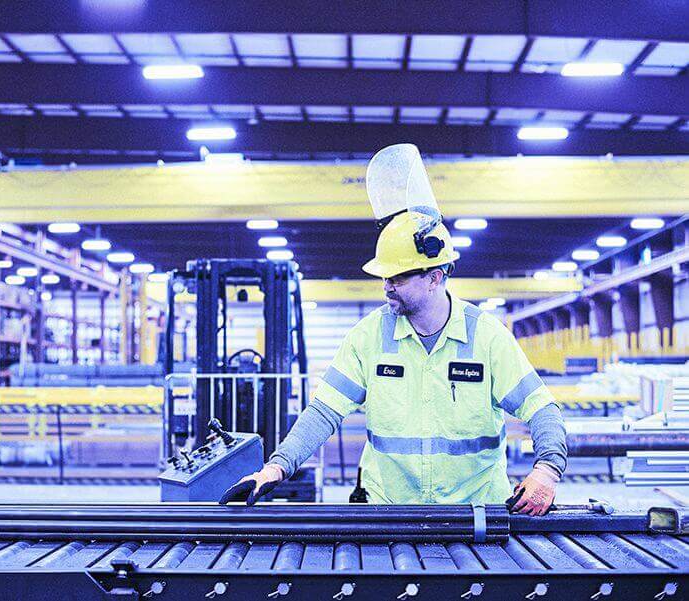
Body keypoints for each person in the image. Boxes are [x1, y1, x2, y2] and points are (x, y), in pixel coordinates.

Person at [220, 145, 567, 515]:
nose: (387, 286)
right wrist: (276, 467)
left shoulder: (486, 336)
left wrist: (547, 471)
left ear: (435, 278)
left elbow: (542, 409)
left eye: (398, 277)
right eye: (385, 276)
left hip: (476, 515)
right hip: (390, 513)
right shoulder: (368, 337)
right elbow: (323, 413)